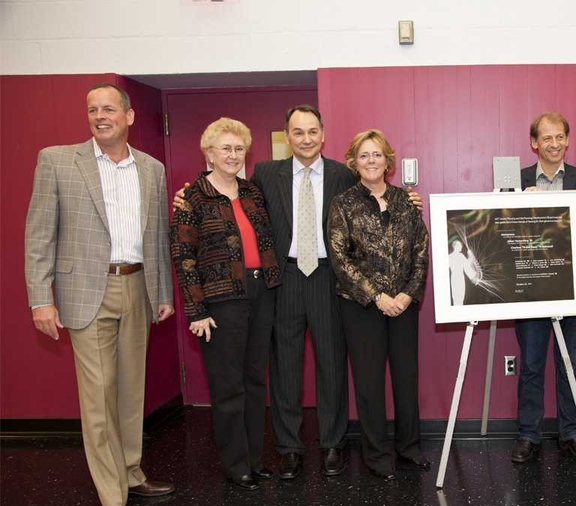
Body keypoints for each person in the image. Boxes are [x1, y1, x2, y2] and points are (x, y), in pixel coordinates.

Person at [174, 105, 421, 479]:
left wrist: (410, 199)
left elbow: (374, 201)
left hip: (330, 277)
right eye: (297, 132)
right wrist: (189, 192)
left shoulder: (341, 174)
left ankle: (333, 444)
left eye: (312, 132)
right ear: (287, 137)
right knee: (285, 365)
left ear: (323, 135)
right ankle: (289, 447)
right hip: (282, 279)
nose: (305, 139)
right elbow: (225, 191)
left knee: (332, 364)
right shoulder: (265, 173)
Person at [24, 83, 175, 506]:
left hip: (137, 286)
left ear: (129, 116)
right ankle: (111, 497)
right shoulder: (57, 160)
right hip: (86, 291)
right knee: (98, 397)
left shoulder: (151, 168)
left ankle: (131, 472)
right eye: (93, 110)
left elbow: (157, 236)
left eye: (109, 108)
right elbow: (38, 234)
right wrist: (39, 297)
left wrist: (161, 290)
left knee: (131, 390)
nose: (100, 115)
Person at [170, 118, 282, 491]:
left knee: (254, 382)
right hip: (221, 301)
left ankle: (254, 458)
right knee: (228, 386)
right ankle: (236, 465)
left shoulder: (252, 192)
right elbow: (183, 255)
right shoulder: (193, 198)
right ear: (209, 153)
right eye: (225, 148)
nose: (233, 156)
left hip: (261, 293)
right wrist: (196, 310)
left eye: (239, 149)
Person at [327, 129, 430, 480]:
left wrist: (405, 295)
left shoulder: (406, 201)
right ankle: (376, 454)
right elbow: (340, 259)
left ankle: (409, 448)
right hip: (362, 307)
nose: (371, 161)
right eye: (364, 155)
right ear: (354, 162)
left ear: (388, 160)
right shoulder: (343, 204)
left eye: (377, 155)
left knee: (406, 378)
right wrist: (377, 296)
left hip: (403, 305)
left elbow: (420, 252)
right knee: (369, 383)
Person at [511, 112, 576, 463]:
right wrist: (522, 202)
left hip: (573, 291)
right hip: (531, 291)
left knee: (570, 366)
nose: (554, 144)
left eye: (559, 137)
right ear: (534, 142)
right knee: (532, 365)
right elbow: (501, 236)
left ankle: (571, 432)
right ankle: (528, 434)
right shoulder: (517, 182)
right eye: (546, 138)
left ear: (567, 140)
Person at [448, 239, 481, 305]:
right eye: (460, 245)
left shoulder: (449, 257)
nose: (461, 246)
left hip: (453, 279)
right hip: (459, 279)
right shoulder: (460, 256)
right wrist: (470, 256)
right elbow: (467, 267)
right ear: (456, 246)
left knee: (455, 298)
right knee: (460, 299)